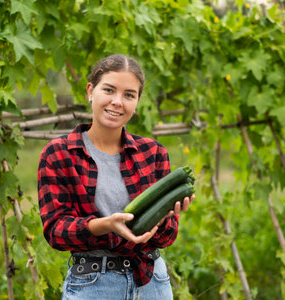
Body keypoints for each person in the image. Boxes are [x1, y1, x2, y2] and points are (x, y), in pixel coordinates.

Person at [38, 54, 194, 299]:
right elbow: (55, 231)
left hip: (152, 282)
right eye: (109, 90)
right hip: (93, 284)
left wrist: (166, 216)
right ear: (91, 91)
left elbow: (167, 236)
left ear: (137, 101)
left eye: (129, 95)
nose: (117, 102)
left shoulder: (153, 153)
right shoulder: (58, 154)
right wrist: (104, 225)